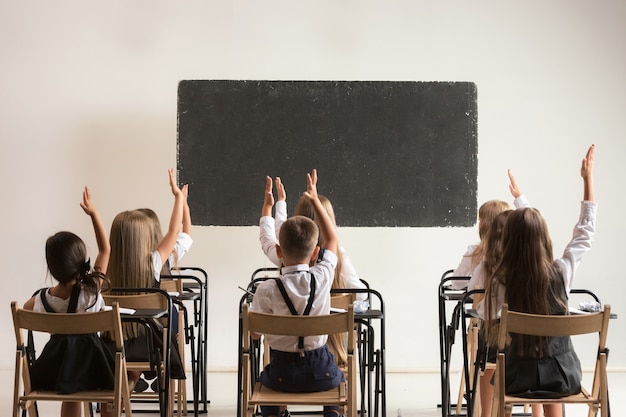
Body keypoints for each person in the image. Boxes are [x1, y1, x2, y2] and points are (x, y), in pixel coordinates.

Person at [483, 144, 596, 417]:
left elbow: (482, 314)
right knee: (550, 365)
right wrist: (587, 179)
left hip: (517, 379)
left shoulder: (501, 282)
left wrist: (521, 202)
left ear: (509, 240)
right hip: (562, 377)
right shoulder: (562, 272)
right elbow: (584, 233)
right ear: (544, 239)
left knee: (503, 357)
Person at [252, 169, 344, 417]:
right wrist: (315, 199)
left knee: (263, 379)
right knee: (339, 378)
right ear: (316, 253)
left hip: (281, 375)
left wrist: (269, 208)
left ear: (279, 252)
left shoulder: (267, 288)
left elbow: (254, 333)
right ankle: (332, 413)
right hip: (322, 374)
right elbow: (332, 238)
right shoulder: (322, 276)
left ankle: (274, 413)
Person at [103, 168, 188, 414]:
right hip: (149, 343)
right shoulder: (152, 263)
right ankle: (160, 404)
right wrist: (178, 198)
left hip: (114, 344)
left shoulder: (106, 271)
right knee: (168, 320)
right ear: (144, 239)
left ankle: (120, 393)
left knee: (126, 364)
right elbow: (173, 232)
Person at [23, 186, 113, 417]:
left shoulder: (41, 299)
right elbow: (106, 248)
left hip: (57, 372)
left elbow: (24, 311)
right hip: (96, 369)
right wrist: (93, 213)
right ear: (82, 262)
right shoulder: (91, 293)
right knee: (99, 378)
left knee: (70, 385)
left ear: (52, 269)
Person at [132, 184, 193, 392]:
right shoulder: (159, 259)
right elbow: (182, 232)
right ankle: (163, 371)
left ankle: (135, 374)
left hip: (127, 337)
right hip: (157, 333)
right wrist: (181, 200)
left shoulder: (117, 264)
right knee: (169, 313)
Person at [449, 171, 529, 289]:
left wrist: (476, 279)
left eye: (480, 220)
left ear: (484, 225)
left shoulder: (475, 253)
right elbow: (532, 225)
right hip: (515, 307)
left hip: (484, 306)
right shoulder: (519, 251)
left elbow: (456, 283)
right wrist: (519, 197)